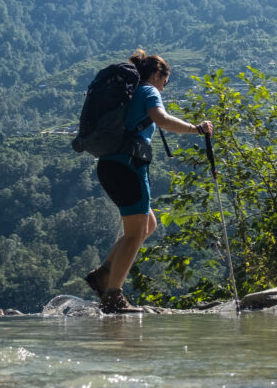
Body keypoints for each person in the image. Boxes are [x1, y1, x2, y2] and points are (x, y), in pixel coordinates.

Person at [86, 49, 213, 313]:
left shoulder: (130, 95)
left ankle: (103, 274)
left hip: (108, 164)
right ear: (157, 74)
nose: (163, 89)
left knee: (147, 224)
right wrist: (196, 129)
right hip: (129, 165)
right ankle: (113, 295)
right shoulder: (147, 91)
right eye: (165, 83)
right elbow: (162, 119)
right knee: (135, 233)